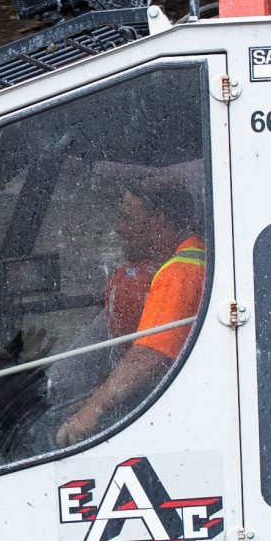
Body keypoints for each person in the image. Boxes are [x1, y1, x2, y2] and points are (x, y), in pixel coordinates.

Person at [58, 177, 207, 446]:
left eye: (128, 218)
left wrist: (93, 410)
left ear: (159, 221)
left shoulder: (181, 270)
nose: (119, 228)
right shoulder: (188, 259)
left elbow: (148, 356)